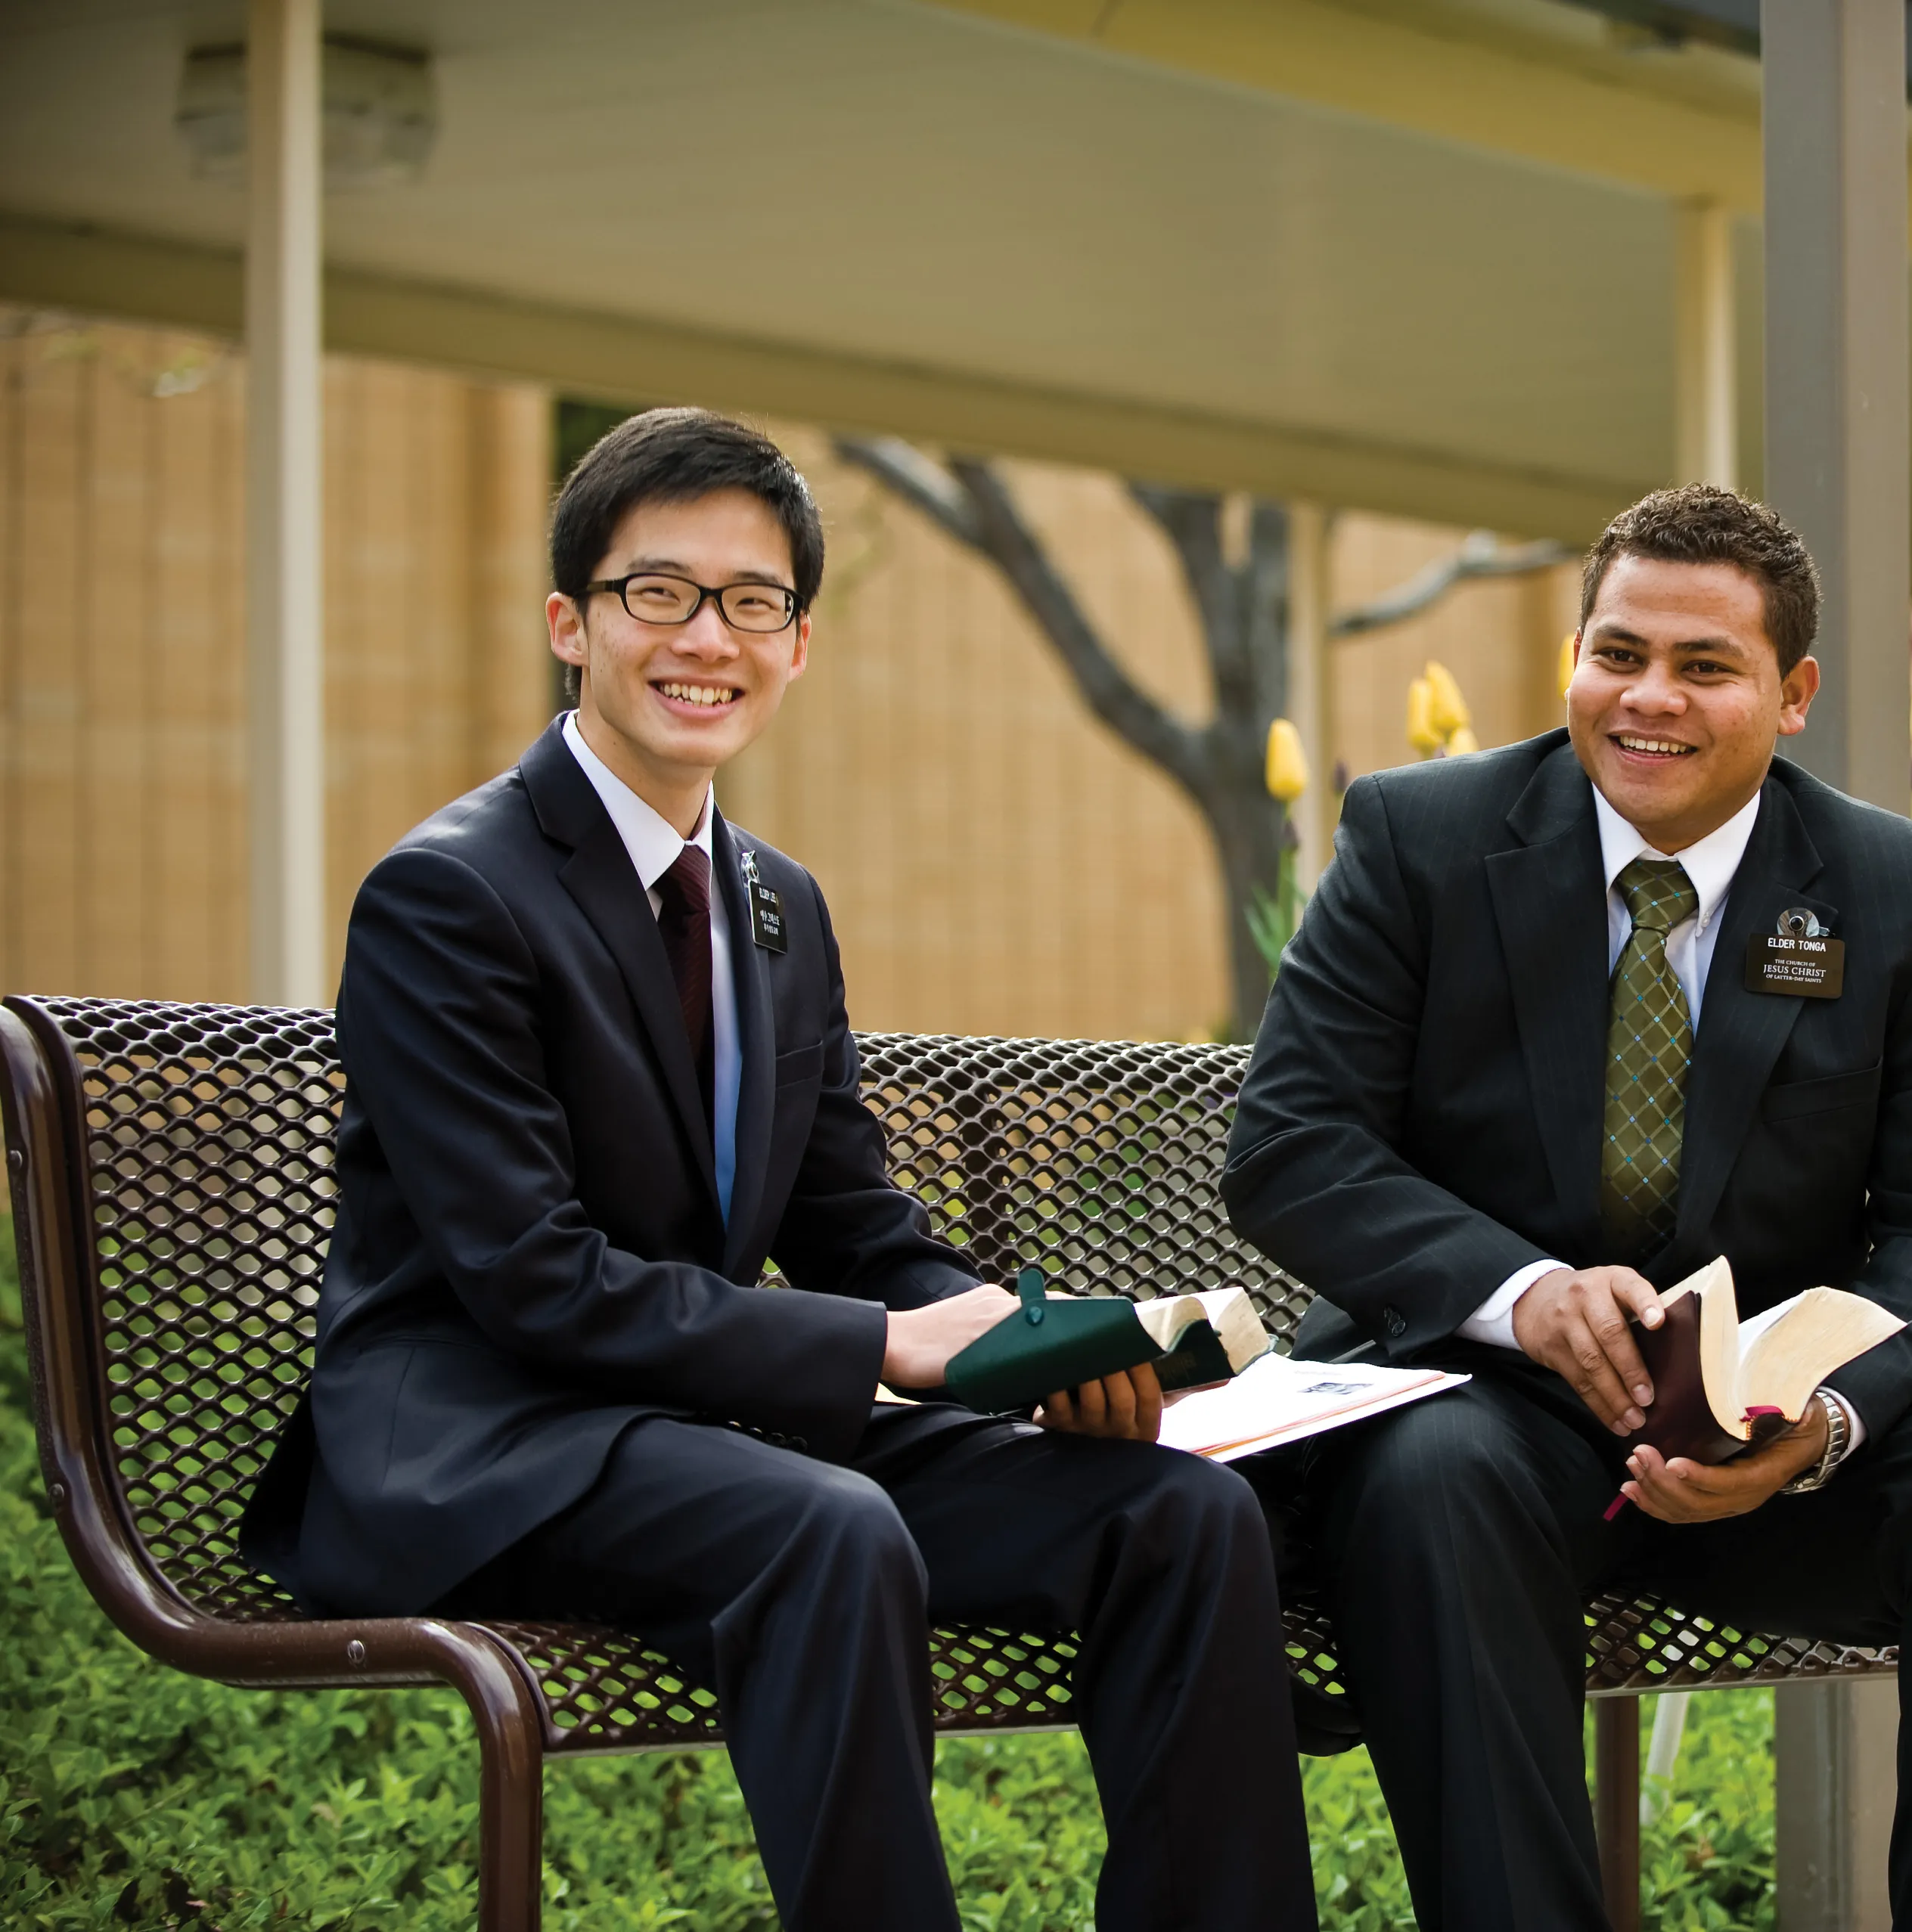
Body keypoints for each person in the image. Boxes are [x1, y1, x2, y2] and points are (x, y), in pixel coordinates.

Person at [242, 408, 1314, 1932]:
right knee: (828, 1521)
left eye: (754, 602)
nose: (709, 637)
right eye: (658, 592)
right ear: (571, 622)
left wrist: (1047, 1343)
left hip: (699, 1424)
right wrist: (884, 1343)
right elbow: (528, 1279)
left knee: (1178, 1510)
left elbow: (854, 1225)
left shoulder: (773, 903)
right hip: (486, 1439)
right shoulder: (449, 894)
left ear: (798, 646)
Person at [1224, 485, 1912, 1932]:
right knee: (1430, 1480)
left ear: (1794, 693)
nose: (1649, 698)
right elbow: (1293, 1141)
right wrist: (1520, 1289)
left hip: (1774, 1437)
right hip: (1493, 1409)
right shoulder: (1418, 839)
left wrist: (1812, 1421)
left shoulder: (1904, 893)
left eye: (1705, 666)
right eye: (1617, 652)